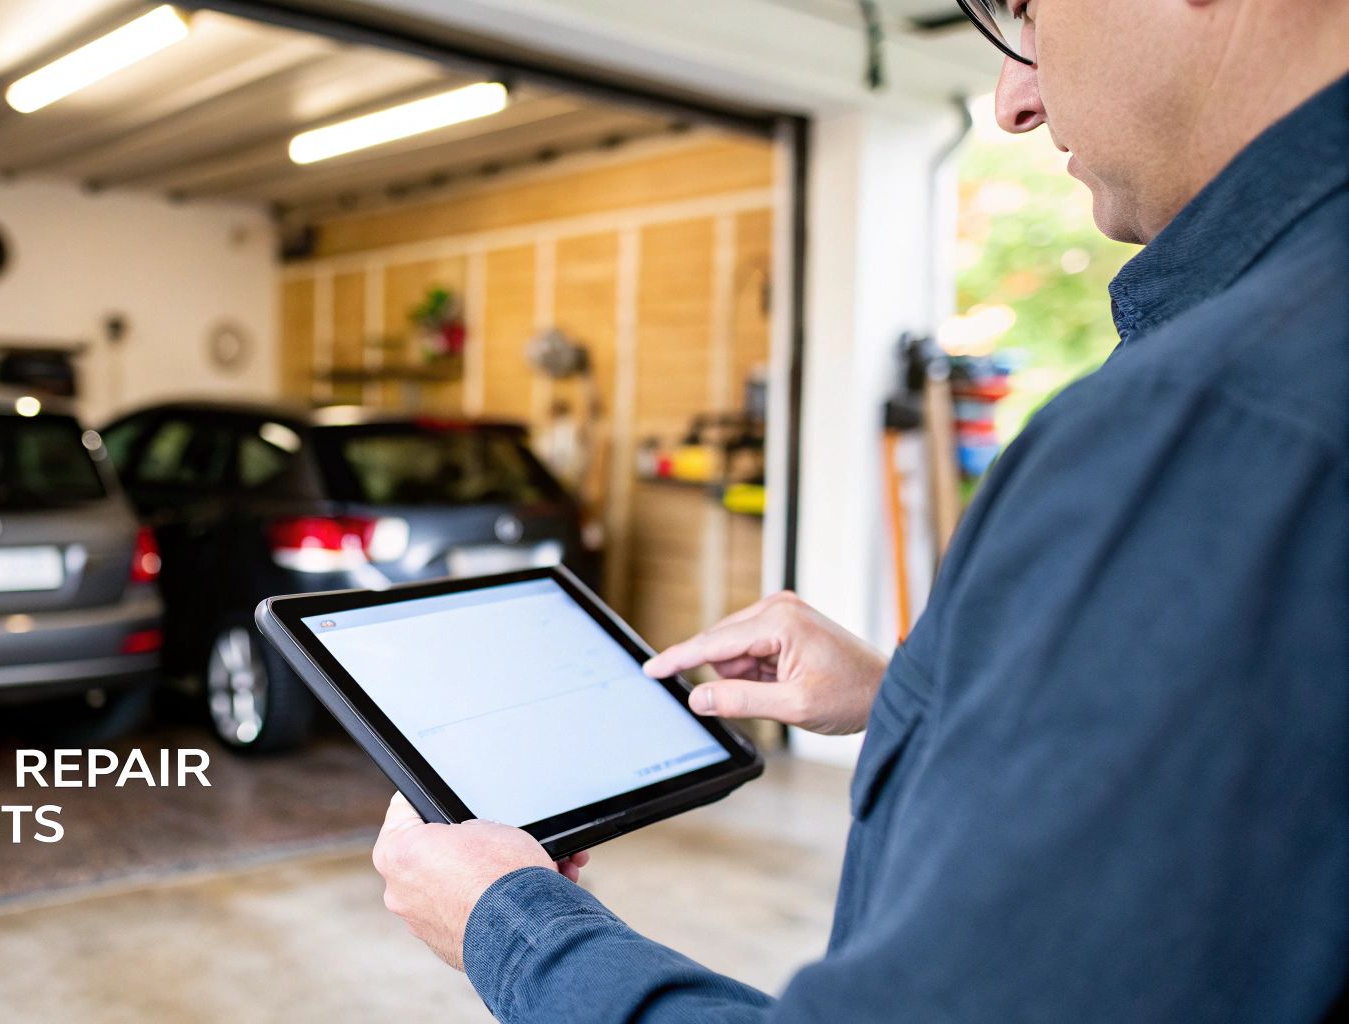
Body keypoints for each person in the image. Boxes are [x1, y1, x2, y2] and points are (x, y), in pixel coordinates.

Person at [370, 0, 1349, 1019]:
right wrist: (911, 697)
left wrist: (508, 921)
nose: (1013, 99)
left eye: (1023, 10)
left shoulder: (1204, 421)